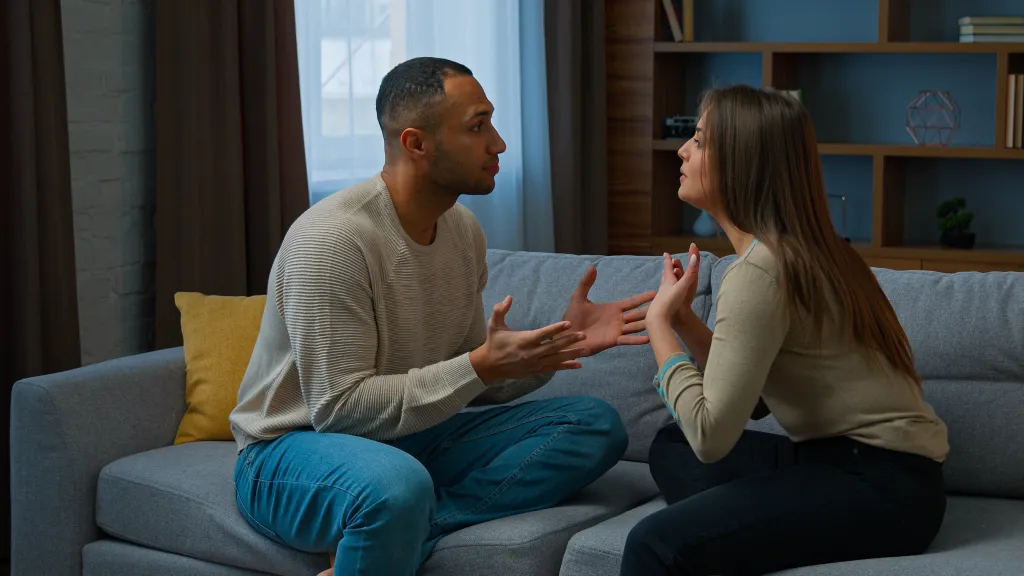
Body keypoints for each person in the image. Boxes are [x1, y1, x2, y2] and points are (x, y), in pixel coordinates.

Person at [229, 56, 655, 576]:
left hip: (409, 440)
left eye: (491, 123)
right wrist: (478, 366)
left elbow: (468, 379)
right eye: (478, 127)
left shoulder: (463, 230)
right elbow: (339, 411)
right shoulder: (335, 240)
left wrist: (555, 346)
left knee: (593, 425)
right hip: (291, 451)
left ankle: (413, 527)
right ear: (416, 143)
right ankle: (396, 515)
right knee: (395, 484)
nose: (498, 144)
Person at [620, 84, 950, 576]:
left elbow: (713, 435)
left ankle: (742, 527)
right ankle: (752, 525)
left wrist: (659, 323)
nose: (682, 149)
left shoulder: (761, 269)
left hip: (881, 487)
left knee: (654, 544)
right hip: (841, 464)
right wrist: (687, 319)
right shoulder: (808, 250)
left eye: (700, 139)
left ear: (741, 160)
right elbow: (754, 404)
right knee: (671, 445)